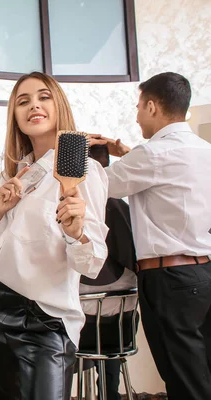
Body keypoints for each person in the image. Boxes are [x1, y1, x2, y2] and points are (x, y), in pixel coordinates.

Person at [0, 71, 108, 400]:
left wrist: (76, 233)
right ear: (15, 116)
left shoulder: (84, 173)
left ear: (59, 106)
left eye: (43, 97)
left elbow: (91, 262)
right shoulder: (6, 178)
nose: (33, 106)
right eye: (23, 101)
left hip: (45, 320)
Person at [91, 72, 211, 400]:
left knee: (183, 376)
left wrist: (71, 153)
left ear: (153, 107)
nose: (136, 115)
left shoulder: (152, 154)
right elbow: (160, 174)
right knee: (203, 370)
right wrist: (125, 152)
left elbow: (101, 187)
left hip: (168, 278)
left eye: (139, 107)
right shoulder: (204, 150)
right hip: (204, 272)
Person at [78, 144, 138, 400]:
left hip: (82, 331)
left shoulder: (78, 207)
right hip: (121, 330)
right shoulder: (121, 208)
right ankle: (110, 393)